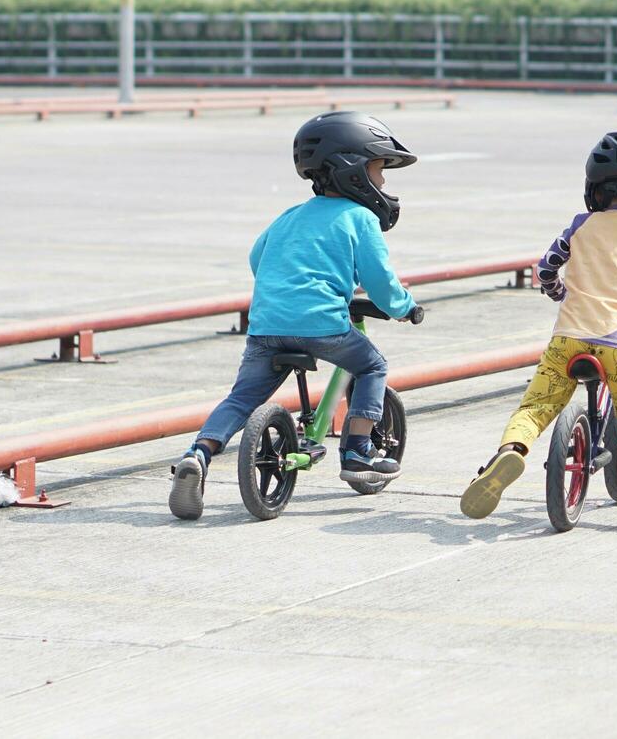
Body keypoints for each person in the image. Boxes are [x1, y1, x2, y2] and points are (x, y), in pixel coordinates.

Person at [168, 111, 425, 520]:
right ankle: (358, 452)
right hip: (322, 326)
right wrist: (405, 307)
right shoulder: (360, 219)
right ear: (353, 170)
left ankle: (197, 454)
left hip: (266, 325)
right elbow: (381, 282)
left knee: (242, 398)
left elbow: (259, 260)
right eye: (379, 169)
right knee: (373, 365)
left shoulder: (288, 216)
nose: (383, 182)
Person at [461, 129, 617, 523]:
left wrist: (559, 292)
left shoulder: (580, 224)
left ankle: (508, 454)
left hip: (566, 341)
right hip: (616, 347)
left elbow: (545, 268)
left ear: (596, 191)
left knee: (536, 406)